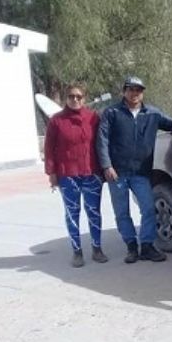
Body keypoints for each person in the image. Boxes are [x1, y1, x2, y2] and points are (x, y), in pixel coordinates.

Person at [96, 76, 172, 264]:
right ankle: (131, 247)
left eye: (138, 90)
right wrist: (107, 165)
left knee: (148, 209)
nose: (134, 93)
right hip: (117, 173)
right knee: (122, 213)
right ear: (124, 91)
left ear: (142, 93)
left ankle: (147, 246)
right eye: (131, 89)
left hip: (141, 172)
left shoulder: (152, 113)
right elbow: (102, 140)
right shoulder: (112, 113)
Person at [44, 83, 108, 267]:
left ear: (84, 99)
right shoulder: (56, 121)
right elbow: (49, 148)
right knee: (72, 213)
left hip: (91, 173)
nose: (75, 99)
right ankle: (77, 252)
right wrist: (51, 172)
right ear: (66, 98)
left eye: (79, 96)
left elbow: (102, 143)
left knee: (94, 212)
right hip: (67, 175)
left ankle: (97, 249)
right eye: (71, 96)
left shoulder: (93, 118)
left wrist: (105, 168)